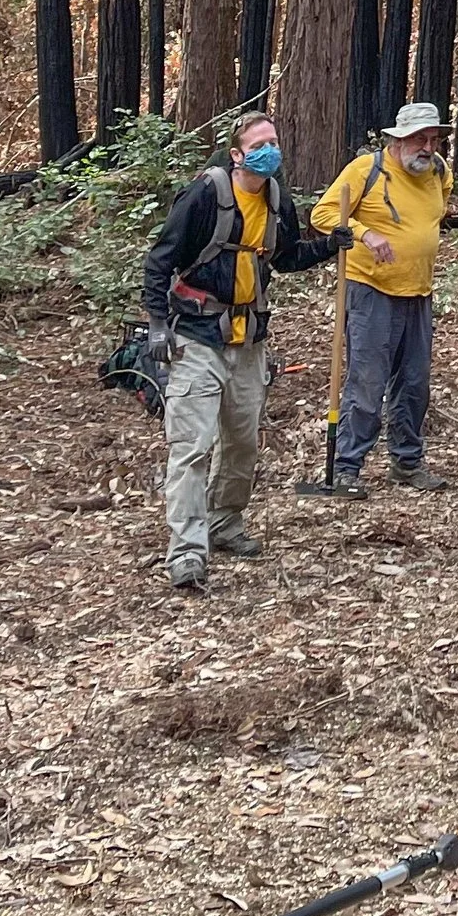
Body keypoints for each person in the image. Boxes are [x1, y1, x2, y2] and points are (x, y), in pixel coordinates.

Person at [142, 113, 349, 590]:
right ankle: (187, 552)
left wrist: (328, 246)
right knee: (192, 447)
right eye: (259, 145)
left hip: (249, 341)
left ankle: (225, 522)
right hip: (196, 337)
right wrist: (156, 323)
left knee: (241, 443)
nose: (269, 151)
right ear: (236, 154)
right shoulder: (204, 195)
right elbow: (160, 260)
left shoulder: (277, 199)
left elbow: (286, 257)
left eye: (273, 141)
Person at [311, 102, 453, 497]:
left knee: (414, 383)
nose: (428, 147)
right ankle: (347, 467)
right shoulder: (366, 170)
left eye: (433, 139)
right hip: (371, 290)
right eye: (419, 139)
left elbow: (436, 211)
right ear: (398, 139)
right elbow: (323, 214)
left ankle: (406, 462)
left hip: (418, 291)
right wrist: (364, 233)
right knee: (367, 381)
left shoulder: (438, 172)